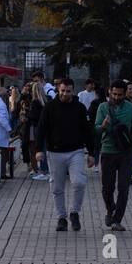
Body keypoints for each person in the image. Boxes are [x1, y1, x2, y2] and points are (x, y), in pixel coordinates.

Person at [35, 78, 94, 231]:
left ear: (73, 91)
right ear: (58, 90)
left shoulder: (79, 108)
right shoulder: (49, 107)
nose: (65, 94)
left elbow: (87, 131)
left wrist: (92, 153)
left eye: (68, 91)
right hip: (55, 152)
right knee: (57, 186)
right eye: (62, 91)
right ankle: (61, 217)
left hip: (76, 151)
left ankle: (74, 212)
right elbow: (41, 129)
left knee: (79, 182)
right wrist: (39, 150)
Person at [95, 78, 132, 231]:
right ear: (109, 91)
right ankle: (110, 209)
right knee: (107, 188)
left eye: (120, 95)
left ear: (125, 93)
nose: (116, 97)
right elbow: (96, 130)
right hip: (108, 151)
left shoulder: (131, 108)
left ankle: (117, 219)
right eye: (114, 94)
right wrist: (103, 126)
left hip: (126, 153)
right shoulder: (103, 107)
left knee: (123, 187)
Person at [28, 81, 50, 177]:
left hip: (37, 127)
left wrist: (28, 115)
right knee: (46, 148)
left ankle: (44, 171)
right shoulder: (47, 100)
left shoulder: (35, 102)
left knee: (40, 148)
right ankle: (46, 169)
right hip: (47, 127)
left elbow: (34, 116)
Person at [87, 86, 105, 170]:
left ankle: (96, 165)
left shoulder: (94, 102)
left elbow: (89, 114)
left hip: (96, 127)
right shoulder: (106, 103)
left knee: (96, 147)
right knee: (104, 147)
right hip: (105, 127)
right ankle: (104, 164)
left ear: (97, 94)